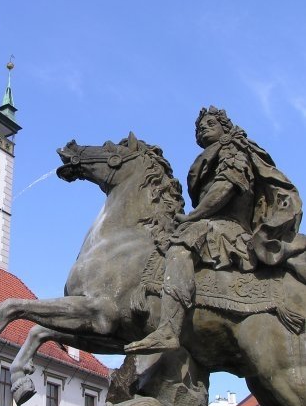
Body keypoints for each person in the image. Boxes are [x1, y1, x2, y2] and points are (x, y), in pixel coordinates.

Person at [125, 106, 306, 354]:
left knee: (180, 245)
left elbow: (224, 189)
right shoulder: (214, 155)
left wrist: (193, 216)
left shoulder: (233, 149)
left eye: (210, 123)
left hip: (227, 228)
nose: (203, 127)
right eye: (200, 127)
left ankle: (168, 330)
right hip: (211, 222)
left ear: (225, 127)